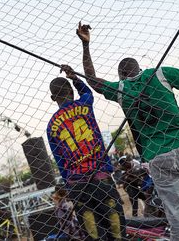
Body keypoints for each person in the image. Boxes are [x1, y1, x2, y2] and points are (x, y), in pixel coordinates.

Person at [74, 20, 179, 240]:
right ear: (140, 69)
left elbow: (93, 80)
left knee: (178, 221)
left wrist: (85, 45)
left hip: (158, 157)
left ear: (121, 75)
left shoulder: (121, 89)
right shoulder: (161, 74)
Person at [47, 67, 126, 240]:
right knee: (116, 226)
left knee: (93, 232)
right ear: (71, 92)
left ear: (53, 98)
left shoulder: (51, 125)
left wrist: (69, 184)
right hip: (100, 175)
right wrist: (75, 78)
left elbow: (59, 160)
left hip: (77, 183)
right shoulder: (84, 104)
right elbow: (86, 91)